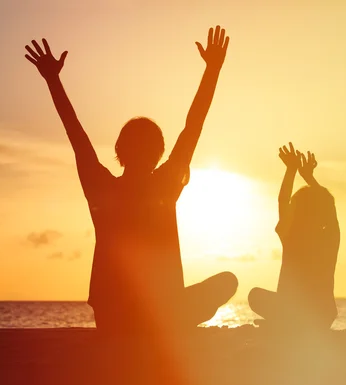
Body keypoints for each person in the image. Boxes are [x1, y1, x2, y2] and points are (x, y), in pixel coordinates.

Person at [24, 26, 237, 333]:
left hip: (113, 318)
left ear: (119, 152)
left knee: (219, 285)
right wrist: (212, 70)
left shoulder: (102, 187)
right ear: (159, 153)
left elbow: (76, 134)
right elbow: (193, 126)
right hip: (159, 317)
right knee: (227, 282)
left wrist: (53, 80)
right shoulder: (164, 184)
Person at [248, 143, 340, 331]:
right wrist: (309, 178)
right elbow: (329, 205)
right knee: (268, 300)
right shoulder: (330, 237)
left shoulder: (291, 235)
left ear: (297, 212)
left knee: (254, 296)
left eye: (293, 205)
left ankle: (283, 324)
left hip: (294, 312)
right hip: (323, 315)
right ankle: (285, 323)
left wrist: (291, 170)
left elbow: (282, 200)